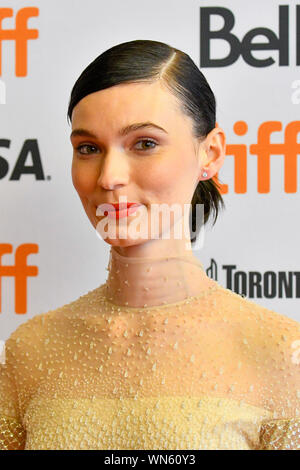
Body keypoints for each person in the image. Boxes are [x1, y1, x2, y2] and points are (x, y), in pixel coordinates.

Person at [0, 39, 299, 450]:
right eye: (88, 148)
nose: (109, 177)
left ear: (210, 153)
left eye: (144, 143)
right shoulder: (28, 351)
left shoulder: (284, 355)